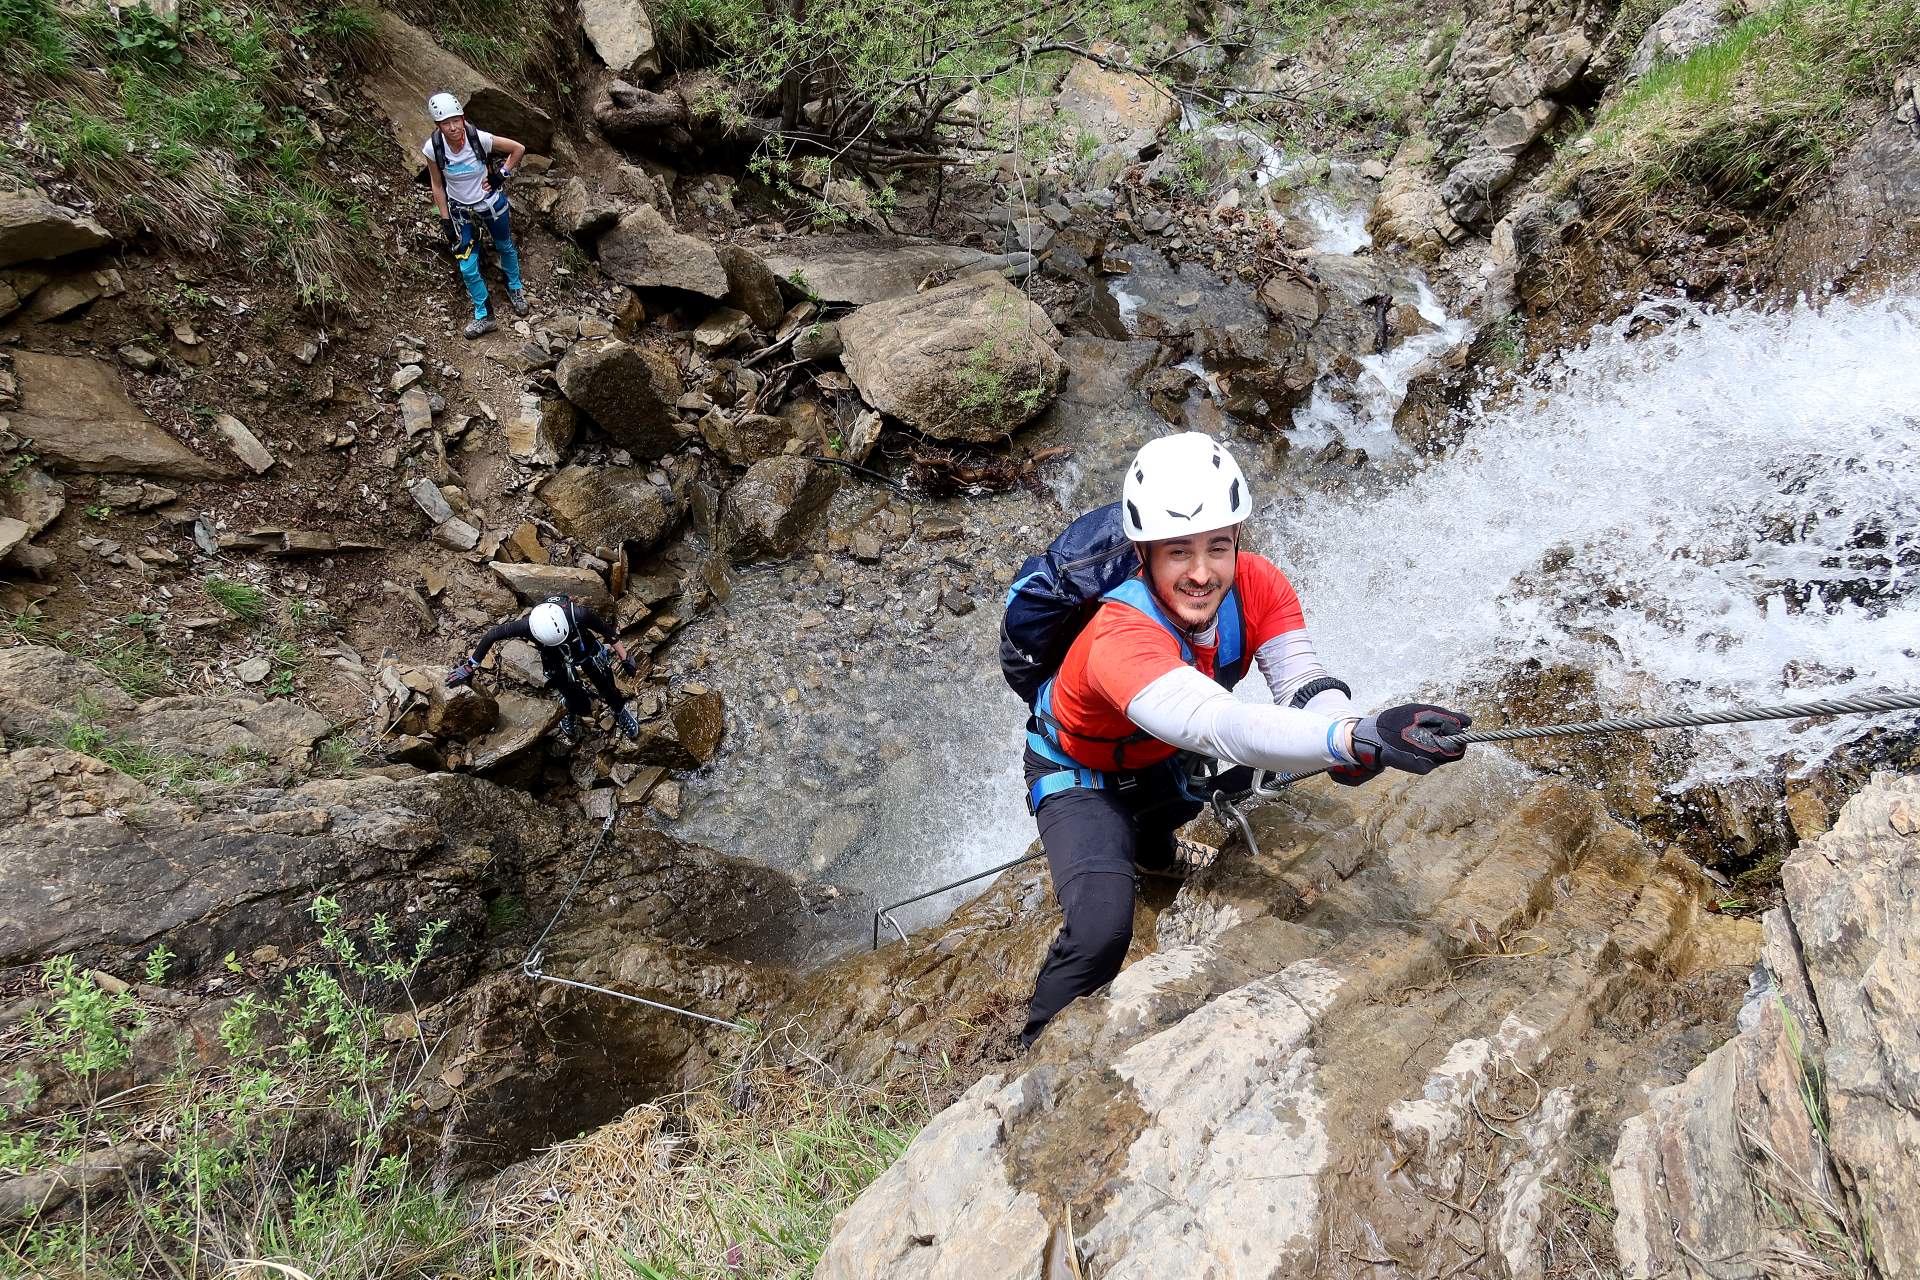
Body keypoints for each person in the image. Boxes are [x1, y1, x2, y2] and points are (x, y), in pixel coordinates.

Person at [1016, 432, 1472, 1047]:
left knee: (1171, 815)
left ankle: (1153, 852)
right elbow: (1219, 723)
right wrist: (1345, 739)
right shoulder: (1118, 633)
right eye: (1179, 552)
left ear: (1239, 541)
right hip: (1080, 769)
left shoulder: (1260, 584)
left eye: (1218, 547)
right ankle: (1034, 1047)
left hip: (1164, 759)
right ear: (1144, 553)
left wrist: (1359, 730)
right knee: (1101, 927)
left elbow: (1304, 682)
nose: (1202, 573)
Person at [448, 597, 642, 742]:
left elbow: (609, 634)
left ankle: (619, 711)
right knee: (579, 703)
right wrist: (470, 665)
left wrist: (625, 658)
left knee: (607, 686)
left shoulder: (579, 614)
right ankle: (569, 705)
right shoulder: (527, 626)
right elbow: (492, 635)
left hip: (585, 649)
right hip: (555, 659)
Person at [422, 91, 529, 340]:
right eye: (446, 123)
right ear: (438, 125)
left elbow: (518, 149)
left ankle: (515, 288)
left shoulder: (478, 139)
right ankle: (484, 315)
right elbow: (437, 185)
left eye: (456, 121)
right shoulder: (433, 148)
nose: (452, 128)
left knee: (505, 246)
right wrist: (445, 220)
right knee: (467, 266)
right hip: (461, 212)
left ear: (463, 118)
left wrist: (501, 175)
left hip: (490, 205)